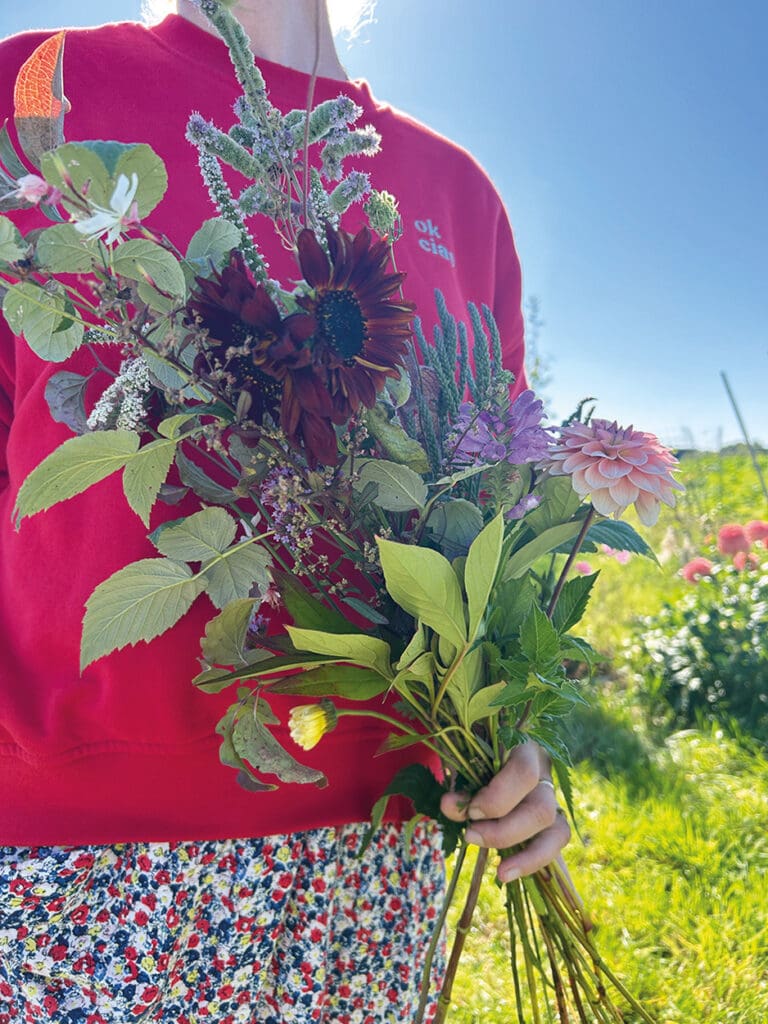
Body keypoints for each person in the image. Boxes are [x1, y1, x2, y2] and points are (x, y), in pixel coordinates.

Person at [0, 2, 570, 1021]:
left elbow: (491, 537)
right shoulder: (29, 97)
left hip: (376, 885)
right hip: (70, 891)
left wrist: (507, 746)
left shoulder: (461, 198)